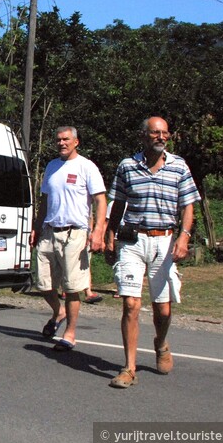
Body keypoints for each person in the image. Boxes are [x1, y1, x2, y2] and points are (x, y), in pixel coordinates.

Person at [105, 116, 200, 389]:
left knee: (164, 309)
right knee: (131, 304)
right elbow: (118, 203)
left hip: (165, 241)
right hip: (133, 241)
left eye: (165, 133)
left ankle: (160, 342)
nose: (161, 137)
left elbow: (188, 205)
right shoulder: (128, 166)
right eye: (155, 133)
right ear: (143, 135)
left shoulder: (178, 166)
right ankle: (129, 368)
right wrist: (110, 235)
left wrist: (184, 237)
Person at [31, 126, 106, 351]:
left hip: (75, 233)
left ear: (76, 142)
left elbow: (100, 200)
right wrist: (36, 227)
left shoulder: (86, 167)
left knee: (72, 287)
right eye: (58, 140)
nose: (61, 143)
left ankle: (70, 334)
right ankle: (59, 312)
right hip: (49, 232)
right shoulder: (52, 167)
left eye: (66, 139)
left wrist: (99, 230)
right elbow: (44, 200)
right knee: (43, 284)